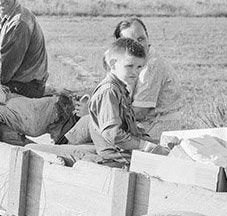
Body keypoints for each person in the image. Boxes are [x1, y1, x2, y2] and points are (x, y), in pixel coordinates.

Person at [66, 37, 168, 166]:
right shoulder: (109, 91)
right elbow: (113, 134)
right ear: (113, 63)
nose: (135, 72)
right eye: (129, 66)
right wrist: (145, 146)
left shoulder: (120, 89)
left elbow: (130, 129)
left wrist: (154, 143)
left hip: (125, 155)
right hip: (117, 159)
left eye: (139, 67)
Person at [113, 18, 182, 141]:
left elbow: (139, 112)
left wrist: (103, 113)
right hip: (143, 127)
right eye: (130, 42)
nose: (137, 45)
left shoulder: (152, 66)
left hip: (158, 131)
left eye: (141, 39)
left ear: (148, 37)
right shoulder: (133, 64)